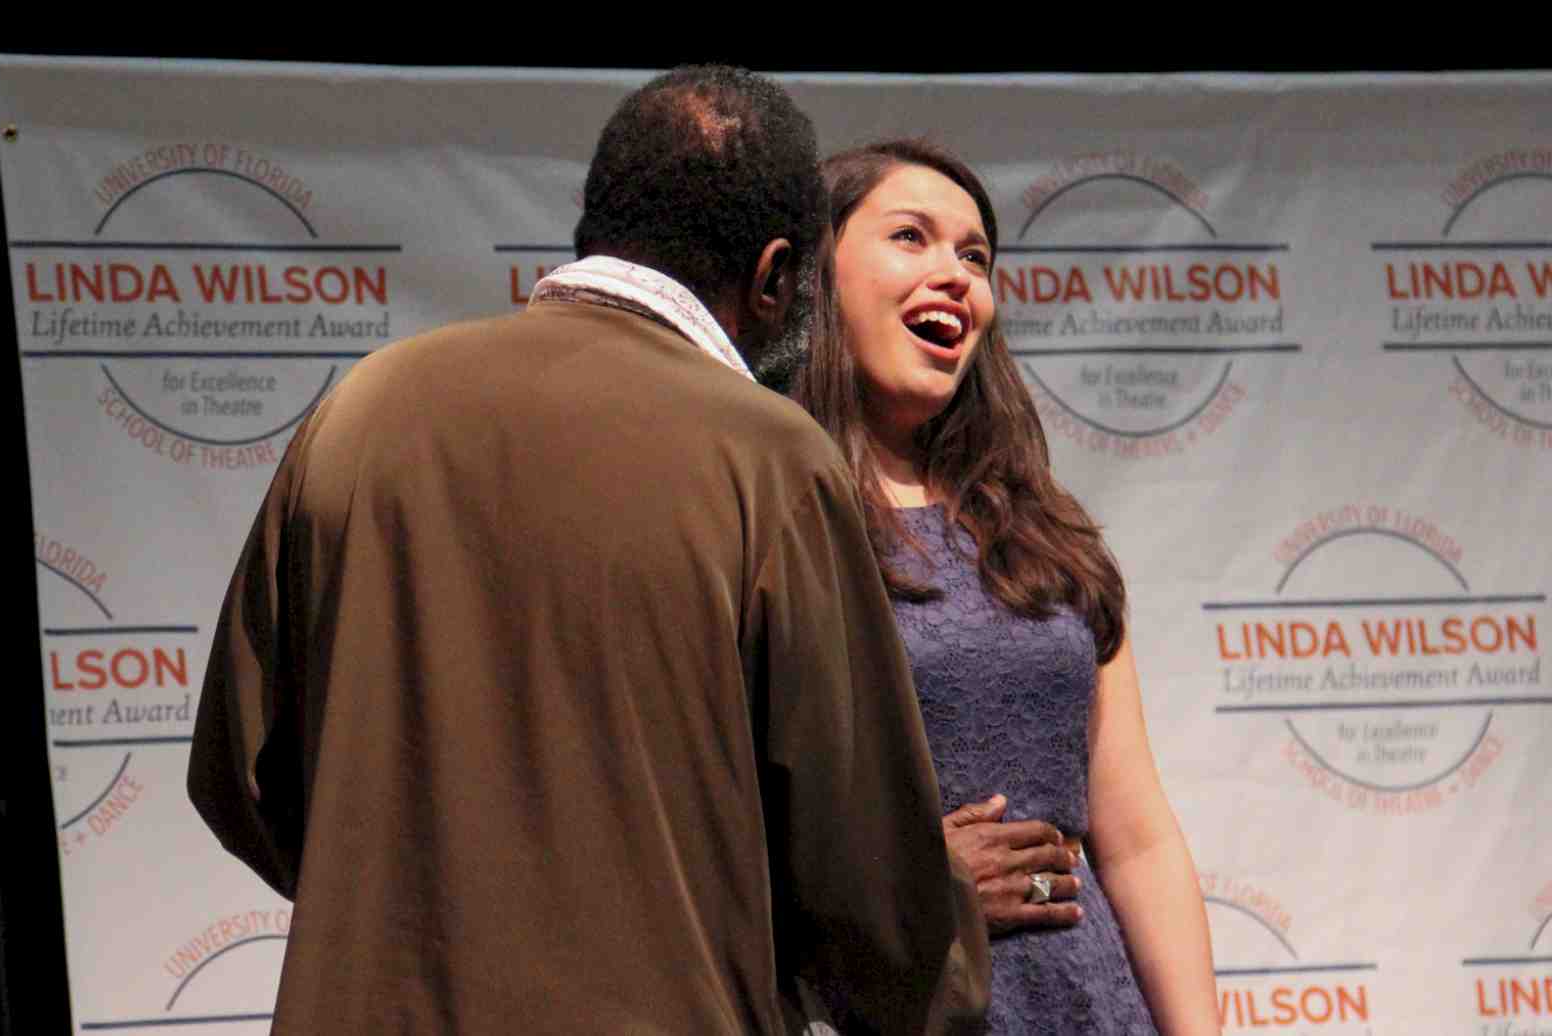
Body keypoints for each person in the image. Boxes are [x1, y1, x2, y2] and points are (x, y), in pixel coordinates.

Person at [187, 71, 989, 1035]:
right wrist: (951, 936)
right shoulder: (767, 456)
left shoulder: (365, 406)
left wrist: (409, 914)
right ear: (779, 275)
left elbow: (238, 771)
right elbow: (868, 891)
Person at [793, 138, 1219, 1035]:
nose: (955, 275)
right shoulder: (777, 519)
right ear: (815, 273)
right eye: (911, 237)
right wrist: (914, 884)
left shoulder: (1038, 528)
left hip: (1088, 1001)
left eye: (976, 257)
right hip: (898, 1003)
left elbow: (1136, 837)